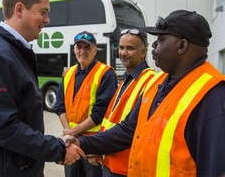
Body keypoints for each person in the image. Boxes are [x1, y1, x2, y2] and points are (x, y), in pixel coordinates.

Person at [66, 10, 225, 177]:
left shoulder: (212, 95)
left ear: (182, 46)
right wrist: (82, 142)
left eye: (161, 39)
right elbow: (128, 130)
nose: (154, 45)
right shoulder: (159, 82)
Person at [0, 0, 84, 177]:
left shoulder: (11, 52)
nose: (47, 20)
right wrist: (57, 149)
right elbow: (3, 127)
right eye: (43, 12)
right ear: (20, 9)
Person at [54, 31, 118, 177]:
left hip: (93, 144)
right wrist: (68, 132)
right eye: (79, 47)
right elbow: (59, 106)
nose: (82, 51)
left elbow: (101, 112)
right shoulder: (68, 73)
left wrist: (71, 132)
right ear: (74, 49)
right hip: (71, 142)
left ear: (95, 50)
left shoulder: (105, 74)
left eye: (87, 47)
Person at [99, 28, 156, 177]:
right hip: (110, 160)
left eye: (130, 48)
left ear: (144, 52)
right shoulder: (126, 79)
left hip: (126, 168)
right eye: (121, 47)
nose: (123, 53)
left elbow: (132, 129)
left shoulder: (150, 81)